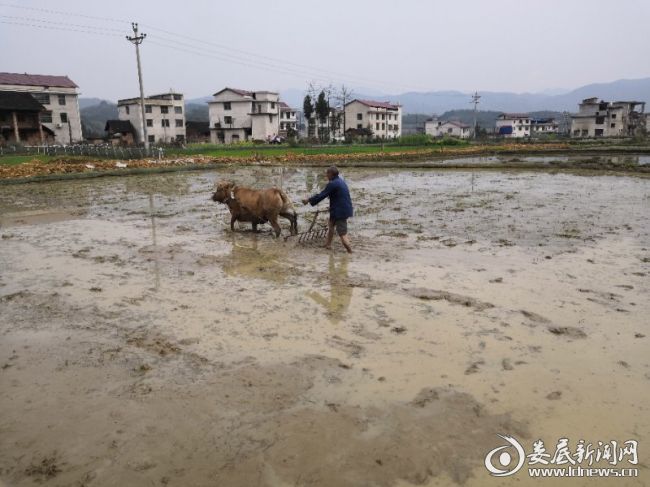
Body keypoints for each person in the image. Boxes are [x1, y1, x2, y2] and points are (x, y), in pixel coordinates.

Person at [302, 166, 353, 253]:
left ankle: (350, 252)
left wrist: (308, 200)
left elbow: (322, 195)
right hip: (339, 208)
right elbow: (339, 196)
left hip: (340, 212)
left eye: (327, 173)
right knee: (331, 225)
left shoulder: (332, 184)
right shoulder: (340, 181)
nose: (326, 175)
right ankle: (328, 244)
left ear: (331, 174)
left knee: (342, 234)